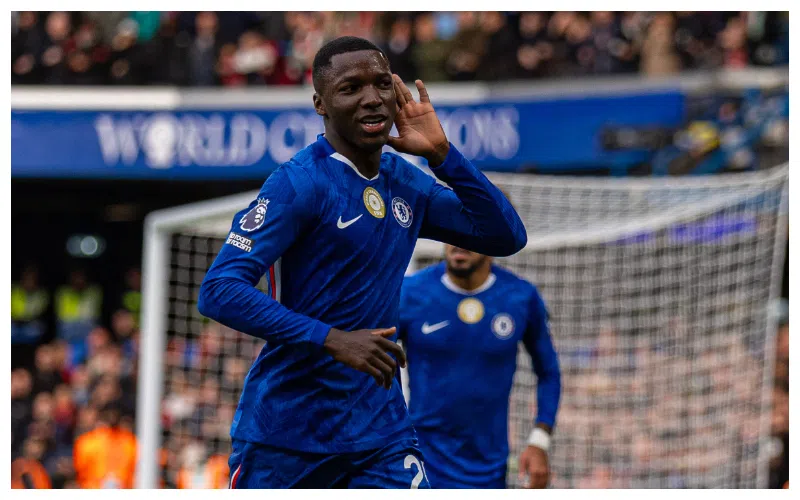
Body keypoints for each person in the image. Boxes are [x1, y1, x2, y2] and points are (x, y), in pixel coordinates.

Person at [197, 35, 527, 489]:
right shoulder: (300, 184)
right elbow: (218, 291)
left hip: (381, 434)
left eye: (381, 84)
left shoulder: (406, 182)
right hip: (288, 436)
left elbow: (505, 236)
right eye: (350, 88)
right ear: (320, 103)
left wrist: (442, 156)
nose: (372, 98)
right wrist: (331, 339)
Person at [399, 244, 561, 488]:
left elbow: (548, 372)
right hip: (420, 460)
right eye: (451, 230)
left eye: (470, 232)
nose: (457, 241)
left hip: (489, 469)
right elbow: (374, 361)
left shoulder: (521, 297)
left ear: (496, 234)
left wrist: (539, 441)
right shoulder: (409, 292)